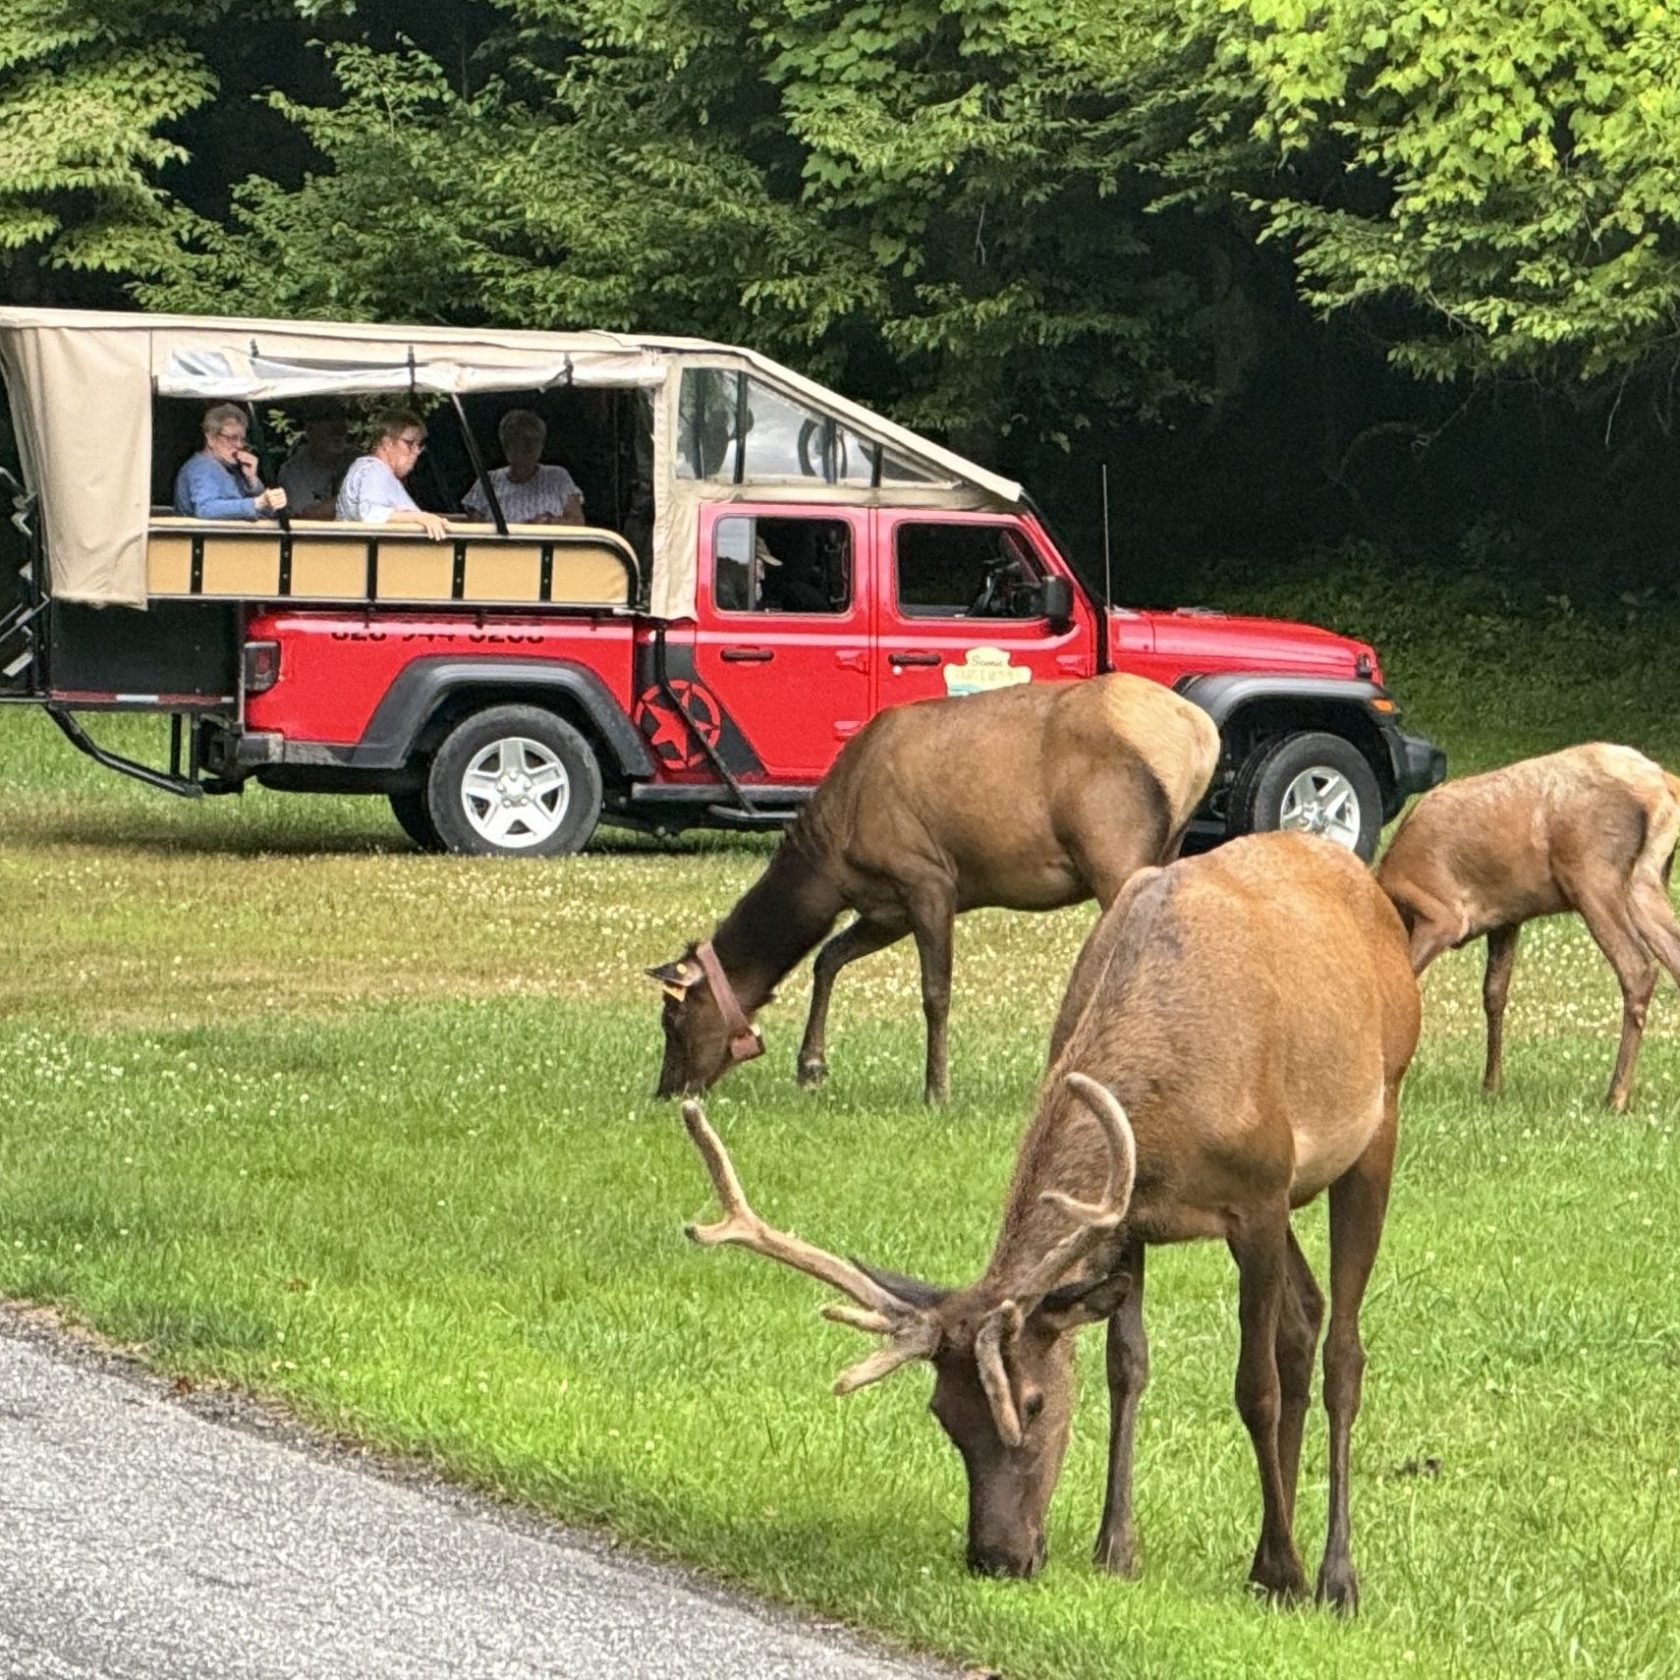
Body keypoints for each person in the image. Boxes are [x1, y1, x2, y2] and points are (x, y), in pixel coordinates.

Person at [336, 412, 449, 540]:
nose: (416, 451)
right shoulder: (373, 470)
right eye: (410, 443)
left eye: (419, 444)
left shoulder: (377, 471)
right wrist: (421, 517)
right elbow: (371, 514)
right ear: (387, 443)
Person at [462, 409, 583, 526]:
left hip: (551, 546)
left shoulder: (558, 476)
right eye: (523, 440)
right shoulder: (488, 481)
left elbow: (577, 522)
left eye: (536, 440)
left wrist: (549, 523)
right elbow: (475, 528)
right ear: (507, 445)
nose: (530, 446)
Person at [173, 403, 288, 520]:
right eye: (232, 438)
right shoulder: (202, 467)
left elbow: (265, 513)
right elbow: (205, 508)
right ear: (211, 438)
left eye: (242, 439)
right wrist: (257, 502)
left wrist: (252, 480)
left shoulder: (233, 468)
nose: (239, 445)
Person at [278, 404, 355, 520]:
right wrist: (354, 498)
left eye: (342, 429)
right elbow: (308, 515)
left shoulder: (360, 462)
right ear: (310, 431)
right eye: (332, 430)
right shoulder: (294, 471)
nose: (338, 436)